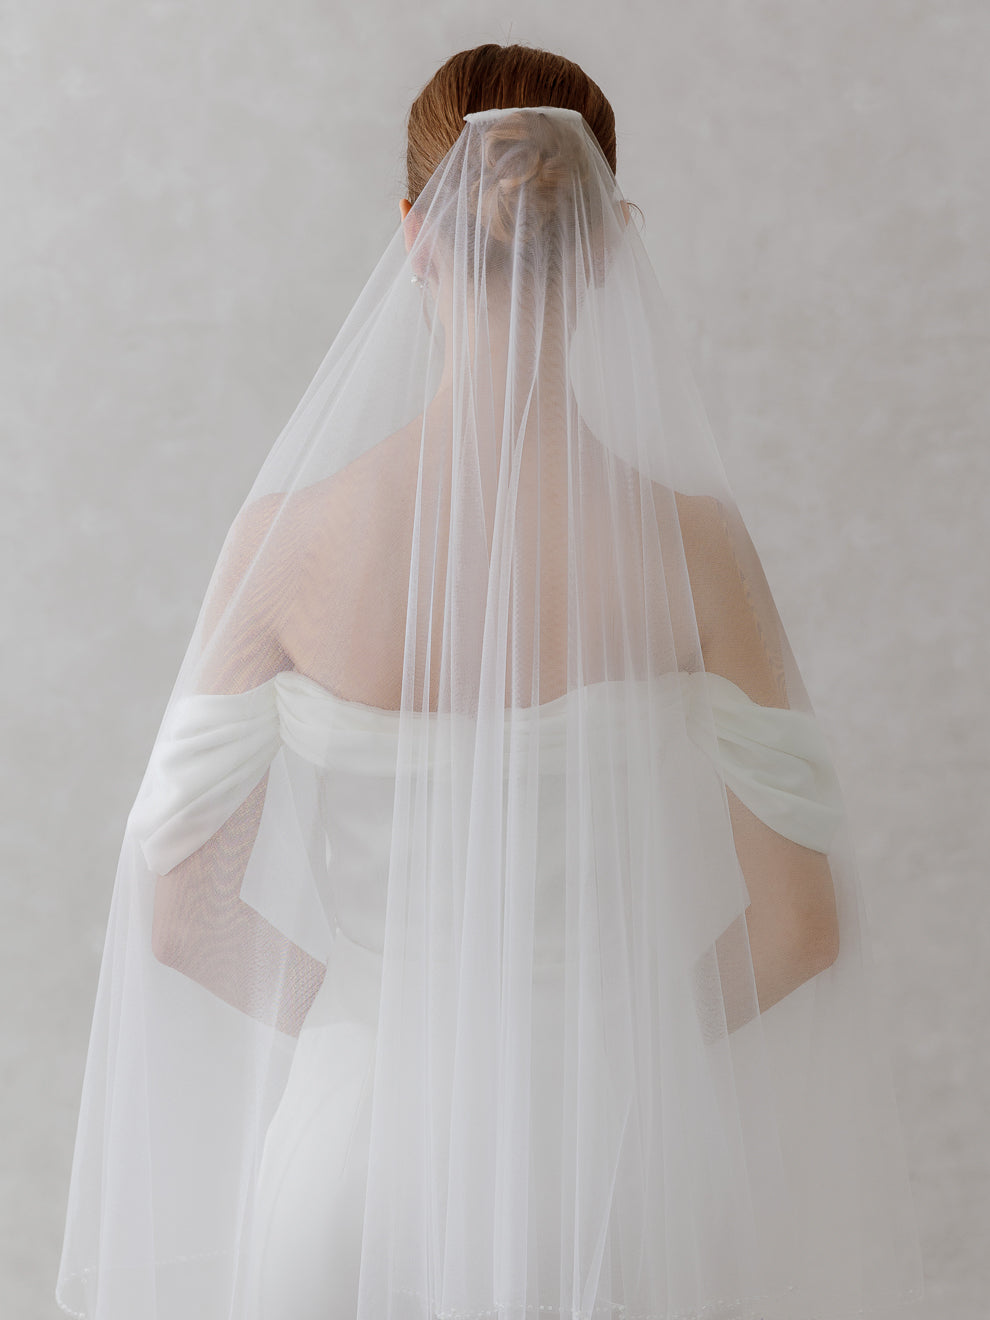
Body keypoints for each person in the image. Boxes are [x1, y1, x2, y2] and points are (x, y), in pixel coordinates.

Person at [56, 42, 925, 1320]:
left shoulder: (287, 548)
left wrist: (371, 1022)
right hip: (622, 1160)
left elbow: (181, 912)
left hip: (361, 1157)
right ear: (612, 241)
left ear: (412, 237)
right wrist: (619, 1040)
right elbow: (801, 923)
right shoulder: (696, 552)